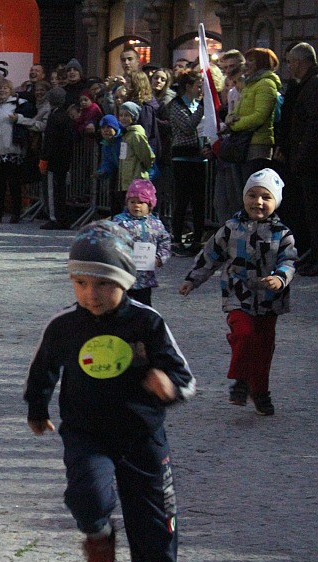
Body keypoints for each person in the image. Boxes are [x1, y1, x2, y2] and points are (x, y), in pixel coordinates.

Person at [25, 220, 195, 562]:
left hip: (142, 436)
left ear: (124, 282)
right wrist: (36, 407)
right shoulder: (65, 325)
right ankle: (98, 535)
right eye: (80, 283)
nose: (91, 294)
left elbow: (185, 376)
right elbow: (43, 368)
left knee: (154, 518)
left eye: (102, 284)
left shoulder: (147, 323)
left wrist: (169, 386)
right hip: (87, 433)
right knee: (87, 494)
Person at [178, 169, 296, 416]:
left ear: (276, 202)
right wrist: (192, 280)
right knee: (244, 334)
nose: (258, 202)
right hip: (237, 296)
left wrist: (279, 278)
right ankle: (241, 380)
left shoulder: (282, 234)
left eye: (266, 197)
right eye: (252, 195)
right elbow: (209, 256)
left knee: (263, 349)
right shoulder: (230, 229)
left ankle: (260, 392)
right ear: (244, 197)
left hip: (268, 302)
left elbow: (289, 261)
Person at [280, 42, 318, 275]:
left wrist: (301, 155)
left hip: (311, 162)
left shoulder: (313, 85)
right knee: (309, 211)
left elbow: (314, 123)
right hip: (306, 161)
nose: (289, 67)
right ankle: (312, 254)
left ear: (300, 61)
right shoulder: (305, 85)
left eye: (291, 62)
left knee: (314, 212)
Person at [0, 78, 33, 224]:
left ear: (11, 90)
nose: (2, 91)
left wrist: (19, 118)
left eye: (5, 88)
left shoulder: (19, 104)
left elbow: (32, 121)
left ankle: (16, 213)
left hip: (13, 150)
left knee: (14, 184)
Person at [110, 180, 170, 306]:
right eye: (132, 202)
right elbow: (109, 241)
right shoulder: (119, 222)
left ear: (150, 204)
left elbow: (165, 243)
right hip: (123, 276)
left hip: (145, 279)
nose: (136, 205)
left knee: (144, 308)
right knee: (120, 308)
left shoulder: (156, 224)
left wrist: (159, 258)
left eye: (141, 202)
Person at [168, 70, 207, 256]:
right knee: (182, 200)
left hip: (198, 157)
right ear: (188, 87)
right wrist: (202, 108)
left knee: (199, 201)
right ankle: (176, 239)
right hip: (182, 158)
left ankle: (197, 239)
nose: (200, 90)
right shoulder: (176, 105)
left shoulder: (195, 104)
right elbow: (187, 126)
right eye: (197, 86)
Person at [39, 87, 74, 230]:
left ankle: (54, 218)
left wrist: (44, 159)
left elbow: (50, 141)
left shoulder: (54, 117)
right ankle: (62, 217)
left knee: (52, 191)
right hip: (63, 159)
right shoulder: (65, 116)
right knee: (61, 190)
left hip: (53, 161)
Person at [116, 102, 154, 193]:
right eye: (121, 115)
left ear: (133, 117)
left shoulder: (136, 135)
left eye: (127, 115)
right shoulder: (126, 135)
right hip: (126, 182)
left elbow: (146, 157)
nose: (123, 118)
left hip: (136, 180)